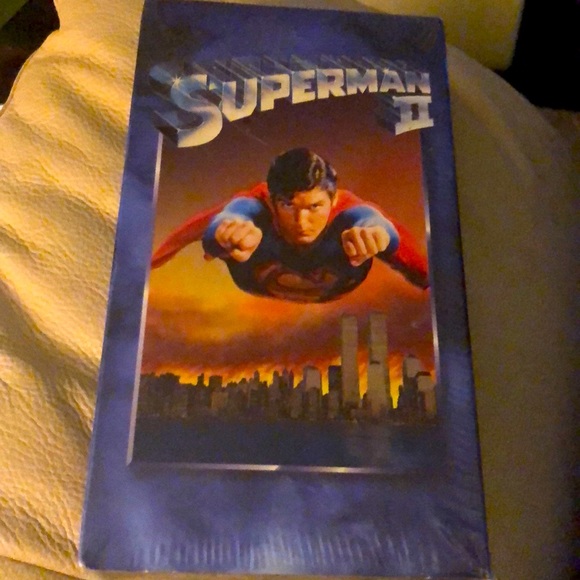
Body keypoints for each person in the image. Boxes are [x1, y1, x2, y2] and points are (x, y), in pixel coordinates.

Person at [151, 148, 428, 303]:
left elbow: (379, 226)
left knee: (365, 226)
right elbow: (200, 228)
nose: (301, 222)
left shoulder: (349, 213)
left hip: (338, 272)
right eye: (287, 205)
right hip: (258, 269)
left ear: (333, 200)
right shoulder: (255, 206)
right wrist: (221, 235)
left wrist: (379, 236)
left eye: (314, 207)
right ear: (273, 201)